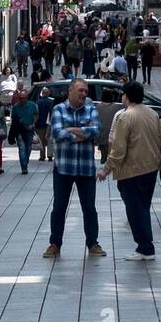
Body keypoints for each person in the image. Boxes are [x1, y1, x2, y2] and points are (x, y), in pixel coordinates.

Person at [98, 81, 161, 261]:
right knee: (143, 207)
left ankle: (145, 247)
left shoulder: (125, 117)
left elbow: (118, 149)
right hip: (151, 169)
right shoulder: (152, 114)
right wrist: (157, 159)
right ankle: (145, 245)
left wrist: (105, 169)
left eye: (123, 95)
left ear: (127, 96)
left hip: (131, 170)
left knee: (135, 209)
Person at [44, 79, 106, 259]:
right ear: (70, 91)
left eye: (86, 91)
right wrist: (80, 134)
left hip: (86, 169)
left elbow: (96, 130)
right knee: (59, 208)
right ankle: (55, 243)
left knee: (89, 208)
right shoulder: (58, 110)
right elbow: (58, 133)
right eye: (80, 90)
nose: (84, 94)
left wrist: (71, 129)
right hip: (63, 168)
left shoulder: (91, 109)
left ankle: (93, 243)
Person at [10, 89, 39, 174]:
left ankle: (25, 160)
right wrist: (18, 121)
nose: (22, 100)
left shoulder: (33, 105)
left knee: (28, 147)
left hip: (29, 129)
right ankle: (24, 167)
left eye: (24, 98)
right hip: (19, 130)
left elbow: (36, 115)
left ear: (27, 98)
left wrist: (33, 123)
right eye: (21, 98)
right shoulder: (16, 106)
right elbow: (13, 118)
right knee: (22, 148)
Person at [95, 93, 123, 165]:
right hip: (112, 135)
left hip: (102, 134)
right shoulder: (115, 107)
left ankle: (103, 160)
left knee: (103, 152)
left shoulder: (98, 106)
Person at [36, 86, 55, 161]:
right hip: (49, 123)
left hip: (41, 123)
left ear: (42, 93)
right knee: (49, 139)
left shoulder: (38, 102)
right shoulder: (51, 102)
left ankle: (42, 156)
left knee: (41, 140)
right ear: (48, 93)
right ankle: (50, 155)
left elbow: (37, 113)